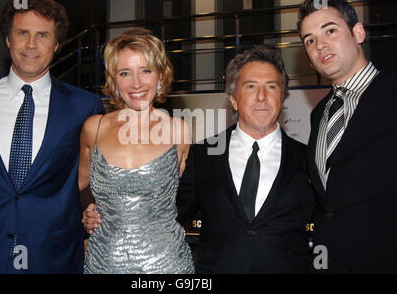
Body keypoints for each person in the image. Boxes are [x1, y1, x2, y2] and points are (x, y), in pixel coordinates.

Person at [84, 45, 315, 274]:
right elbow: (165, 210)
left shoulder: (310, 159)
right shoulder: (203, 155)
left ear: (283, 97)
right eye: (251, 86)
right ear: (233, 100)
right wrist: (104, 211)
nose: (261, 97)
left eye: (271, 87)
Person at [0, 0, 105, 274]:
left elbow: (95, 175)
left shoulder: (85, 106)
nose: (31, 44)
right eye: (22, 33)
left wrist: (91, 208)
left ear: (57, 45)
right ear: (8, 40)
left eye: (43, 35)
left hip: (52, 254)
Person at [79, 28, 194, 274]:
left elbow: (187, 197)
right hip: (104, 263)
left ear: (160, 76)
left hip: (167, 265)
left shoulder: (180, 132)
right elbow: (79, 187)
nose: (136, 83)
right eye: (124, 73)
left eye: (145, 71)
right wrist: (88, 210)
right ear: (113, 79)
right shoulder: (93, 128)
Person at [298, 0, 397, 273]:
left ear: (358, 32)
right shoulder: (319, 114)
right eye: (310, 40)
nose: (320, 45)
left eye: (330, 30)